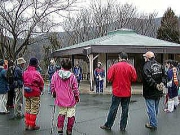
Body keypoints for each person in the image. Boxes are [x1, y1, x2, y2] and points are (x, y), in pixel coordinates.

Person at [100, 52, 137, 131]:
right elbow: (134, 78)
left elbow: (109, 78)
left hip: (117, 91)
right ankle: (123, 126)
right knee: (125, 109)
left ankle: (108, 125)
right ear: (127, 59)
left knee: (113, 108)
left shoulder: (114, 66)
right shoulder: (131, 67)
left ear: (119, 58)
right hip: (127, 91)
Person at [51, 59, 79, 135]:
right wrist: (77, 97)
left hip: (60, 99)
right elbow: (75, 88)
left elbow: (52, 85)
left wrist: (54, 93)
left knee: (61, 114)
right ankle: (69, 131)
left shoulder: (56, 75)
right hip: (70, 100)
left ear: (61, 65)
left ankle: (60, 130)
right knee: (71, 115)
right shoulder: (72, 76)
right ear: (70, 67)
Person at [142, 51, 165, 130]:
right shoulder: (160, 65)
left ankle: (153, 124)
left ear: (147, 58)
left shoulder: (146, 66)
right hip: (158, 91)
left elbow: (147, 78)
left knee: (151, 108)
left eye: (145, 57)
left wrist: (156, 85)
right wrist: (162, 83)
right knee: (155, 107)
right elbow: (164, 75)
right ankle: (153, 120)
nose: (144, 58)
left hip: (149, 91)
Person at [23, 57, 44, 130]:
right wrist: (40, 90)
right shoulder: (36, 73)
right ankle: (32, 125)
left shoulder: (25, 72)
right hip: (34, 92)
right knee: (34, 109)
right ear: (36, 64)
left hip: (26, 92)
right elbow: (41, 83)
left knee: (27, 108)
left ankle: (27, 124)